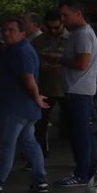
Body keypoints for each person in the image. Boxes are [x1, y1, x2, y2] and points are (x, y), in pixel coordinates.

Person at [0, 19, 50, 193]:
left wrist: (36, 97)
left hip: (15, 108)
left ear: (23, 33)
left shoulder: (21, 51)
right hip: (23, 107)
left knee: (6, 145)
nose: (6, 33)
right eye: (4, 29)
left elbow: (28, 79)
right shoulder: (17, 49)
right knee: (29, 143)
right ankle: (40, 181)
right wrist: (35, 98)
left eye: (12, 30)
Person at [47, 0, 97, 186]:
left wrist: (59, 60)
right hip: (78, 89)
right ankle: (90, 169)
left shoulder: (83, 35)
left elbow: (81, 64)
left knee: (80, 134)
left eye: (65, 15)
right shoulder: (80, 33)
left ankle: (82, 174)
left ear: (78, 13)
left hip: (79, 91)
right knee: (84, 133)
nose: (62, 20)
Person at [30, 11, 67, 156]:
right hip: (44, 87)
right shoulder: (38, 41)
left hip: (66, 87)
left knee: (73, 122)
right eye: (49, 28)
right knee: (41, 122)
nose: (53, 31)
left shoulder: (72, 39)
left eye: (56, 28)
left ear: (62, 24)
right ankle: (41, 152)